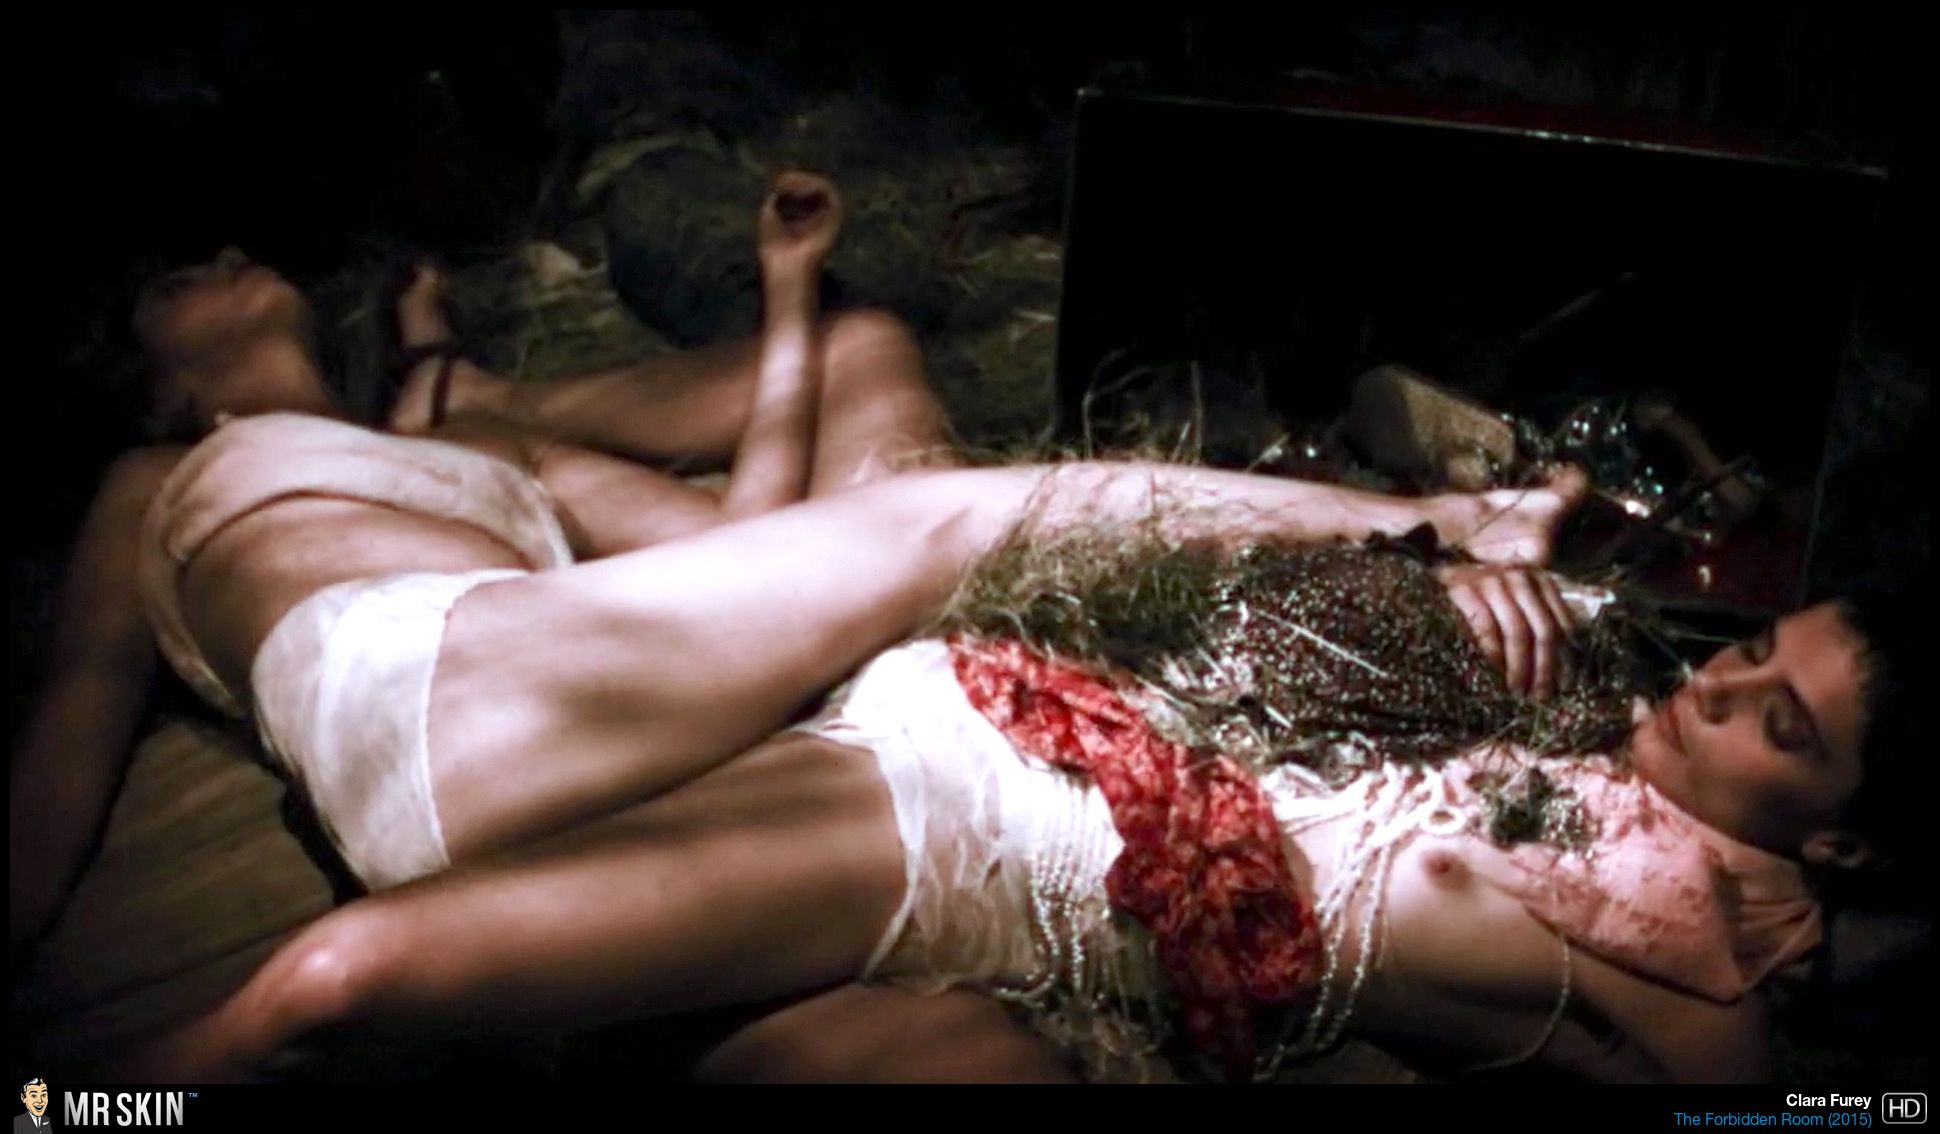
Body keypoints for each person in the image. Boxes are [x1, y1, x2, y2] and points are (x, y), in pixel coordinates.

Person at [9, 170, 959, 960]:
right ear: (162, 392)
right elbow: (79, 705)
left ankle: (948, 691)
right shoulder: (155, 479)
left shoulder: (481, 445)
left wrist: (787, 288)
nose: (226, 255)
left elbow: (746, 544)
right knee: (943, 530)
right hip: (431, 705)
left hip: (595, 713)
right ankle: (965, 662)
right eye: (179, 284)